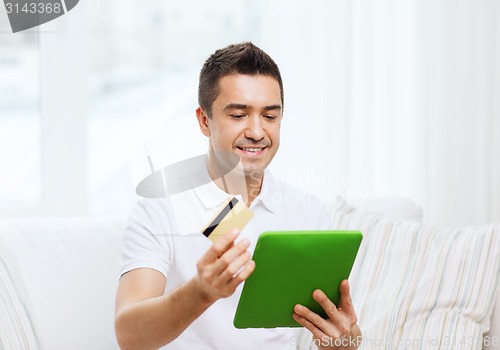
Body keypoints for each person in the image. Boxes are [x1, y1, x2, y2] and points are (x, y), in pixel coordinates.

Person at [114, 42, 361, 350]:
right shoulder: (159, 210)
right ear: (205, 121)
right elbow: (129, 336)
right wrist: (201, 291)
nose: (257, 131)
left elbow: (342, 331)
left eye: (270, 116)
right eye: (239, 115)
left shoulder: (308, 212)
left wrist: (343, 342)